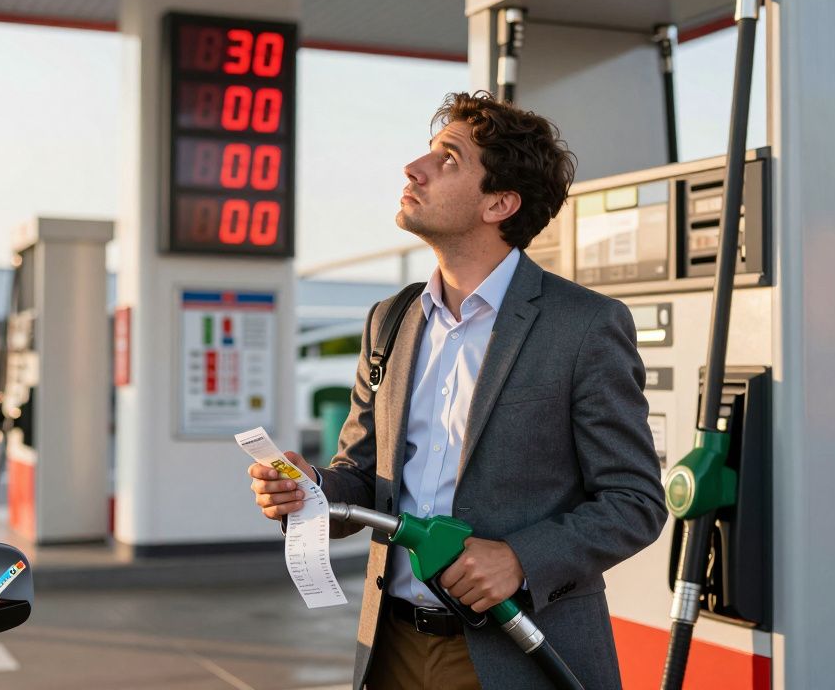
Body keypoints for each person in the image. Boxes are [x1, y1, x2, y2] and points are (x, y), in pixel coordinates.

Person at [248, 91, 666, 690]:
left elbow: (635, 500)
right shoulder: (389, 321)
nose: (414, 168)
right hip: (388, 648)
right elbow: (362, 479)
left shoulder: (583, 325)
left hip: (519, 654)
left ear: (500, 202)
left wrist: (520, 559)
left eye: (448, 158)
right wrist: (311, 491)